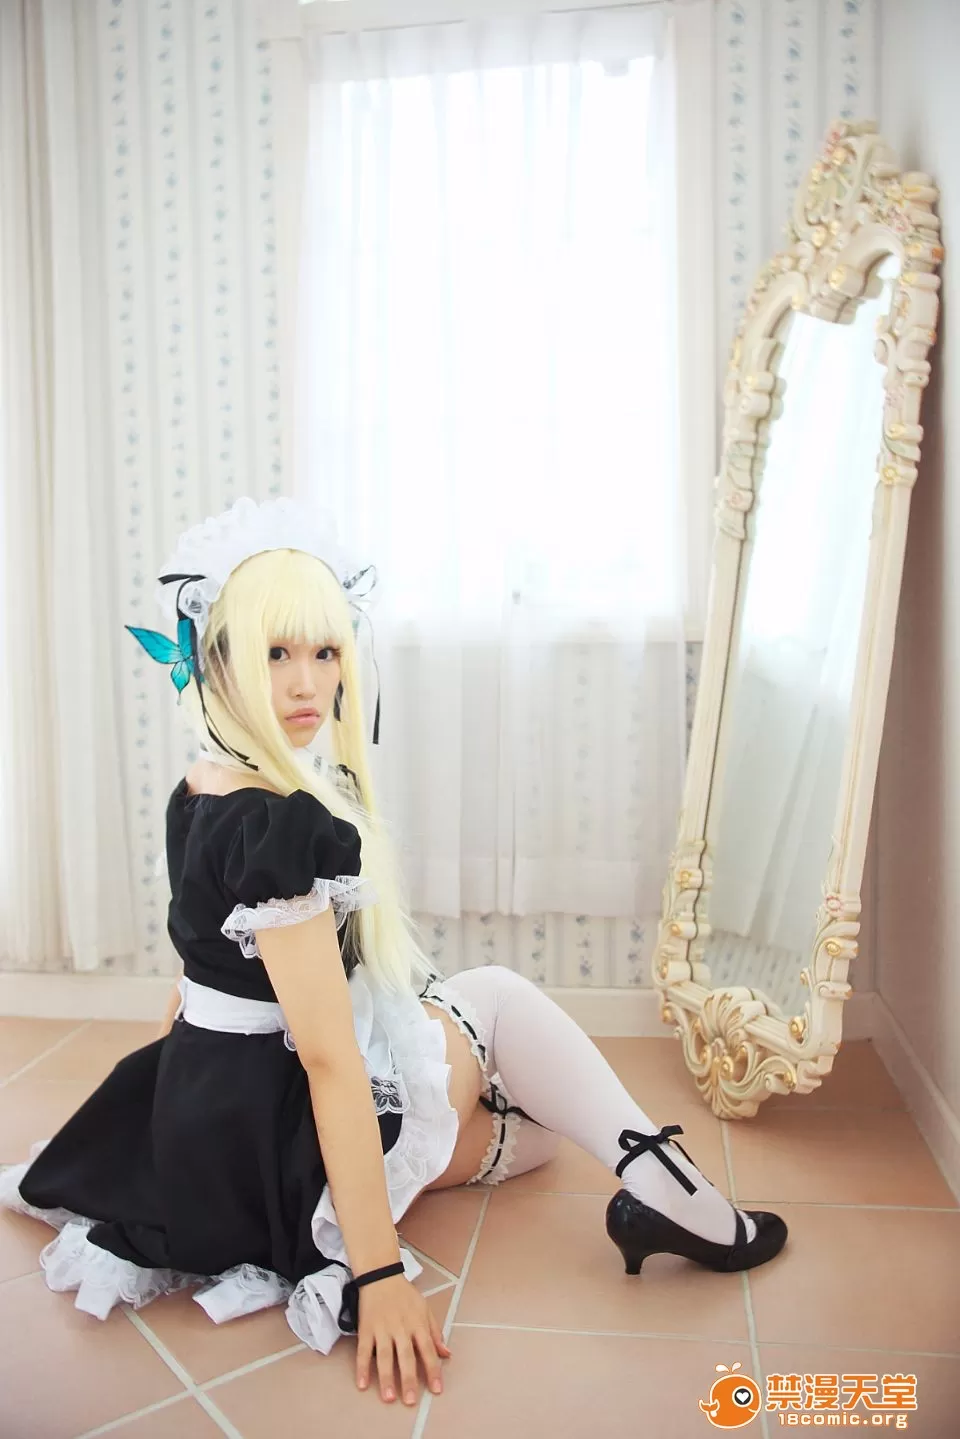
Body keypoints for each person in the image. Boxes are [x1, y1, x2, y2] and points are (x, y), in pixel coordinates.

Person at [0, 498, 786, 1408]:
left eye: (325, 651)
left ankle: (621, 1171)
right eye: (276, 653)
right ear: (218, 661)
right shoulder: (275, 826)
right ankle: (679, 1191)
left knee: (534, 1140)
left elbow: (192, 970)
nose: (307, 682)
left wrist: (168, 1101)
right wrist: (375, 1276)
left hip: (211, 1127)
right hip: (277, 1136)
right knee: (496, 998)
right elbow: (329, 1059)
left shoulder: (200, 786)